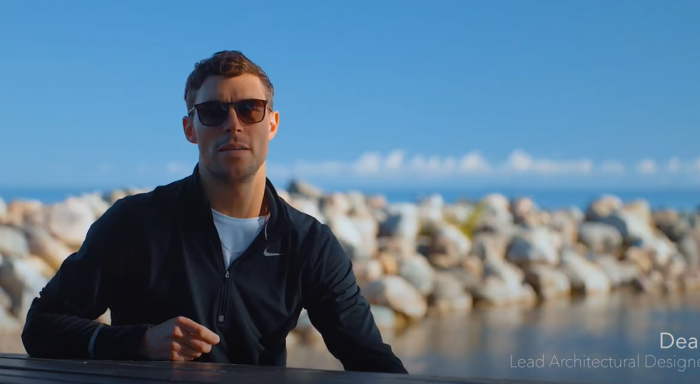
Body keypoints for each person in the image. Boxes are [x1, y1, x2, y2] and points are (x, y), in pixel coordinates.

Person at [21, 50, 408, 374]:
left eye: (250, 109)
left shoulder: (309, 244)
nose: (233, 124)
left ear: (271, 123)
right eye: (213, 112)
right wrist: (139, 342)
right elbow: (39, 327)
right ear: (191, 128)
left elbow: (371, 363)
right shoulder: (133, 224)